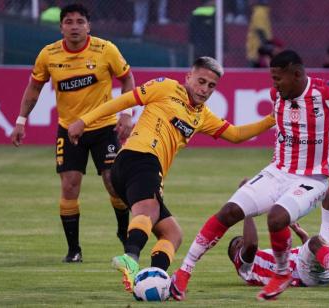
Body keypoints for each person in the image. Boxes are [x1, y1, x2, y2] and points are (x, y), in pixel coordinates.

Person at [171, 49, 329, 301]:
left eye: (278, 78)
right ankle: (183, 272)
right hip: (277, 171)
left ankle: (281, 273)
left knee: (276, 218)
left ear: (297, 74)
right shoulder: (277, 94)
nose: (274, 84)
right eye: (272, 78)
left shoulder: (328, 91)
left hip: (312, 178)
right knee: (229, 211)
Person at [67, 56, 276, 292]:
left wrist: (272, 119)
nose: (204, 89)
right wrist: (84, 121)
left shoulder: (202, 115)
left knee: (172, 234)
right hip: (140, 158)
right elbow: (124, 101)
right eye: (201, 81)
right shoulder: (165, 87)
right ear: (188, 76)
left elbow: (236, 134)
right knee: (150, 210)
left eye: (211, 86)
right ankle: (131, 257)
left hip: (135, 169)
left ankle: (152, 279)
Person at [10, 3, 136, 263]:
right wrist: (21, 120)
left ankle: (124, 233)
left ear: (89, 26)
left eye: (80, 21)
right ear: (61, 27)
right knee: (69, 186)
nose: (75, 26)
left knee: (113, 183)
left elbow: (127, 79)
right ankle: (74, 250)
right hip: (69, 130)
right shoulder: (49, 55)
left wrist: (126, 114)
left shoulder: (106, 50)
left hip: (104, 128)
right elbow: (33, 89)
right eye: (69, 22)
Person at [228, 128, 329, 290]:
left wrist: (300, 234)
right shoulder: (244, 268)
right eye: (237, 245)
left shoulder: (269, 256)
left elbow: (308, 254)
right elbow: (251, 244)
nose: (241, 243)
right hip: (308, 275)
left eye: (239, 241)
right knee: (315, 242)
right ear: (234, 258)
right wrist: (246, 211)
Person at [246, 0, 272, 67]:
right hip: (257, 49)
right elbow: (260, 30)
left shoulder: (261, 11)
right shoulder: (260, 12)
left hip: (257, 49)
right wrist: (266, 46)